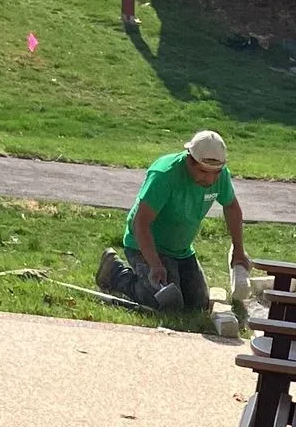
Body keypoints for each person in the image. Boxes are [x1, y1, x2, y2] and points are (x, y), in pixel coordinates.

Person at [98, 132, 249, 315]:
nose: (210, 180)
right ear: (189, 159)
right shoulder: (165, 175)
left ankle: (161, 274)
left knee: (197, 305)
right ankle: (115, 273)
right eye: (203, 172)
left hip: (181, 251)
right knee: (166, 302)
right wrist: (154, 264)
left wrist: (239, 250)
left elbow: (232, 207)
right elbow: (141, 223)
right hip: (146, 245)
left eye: (215, 173)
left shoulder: (220, 175)